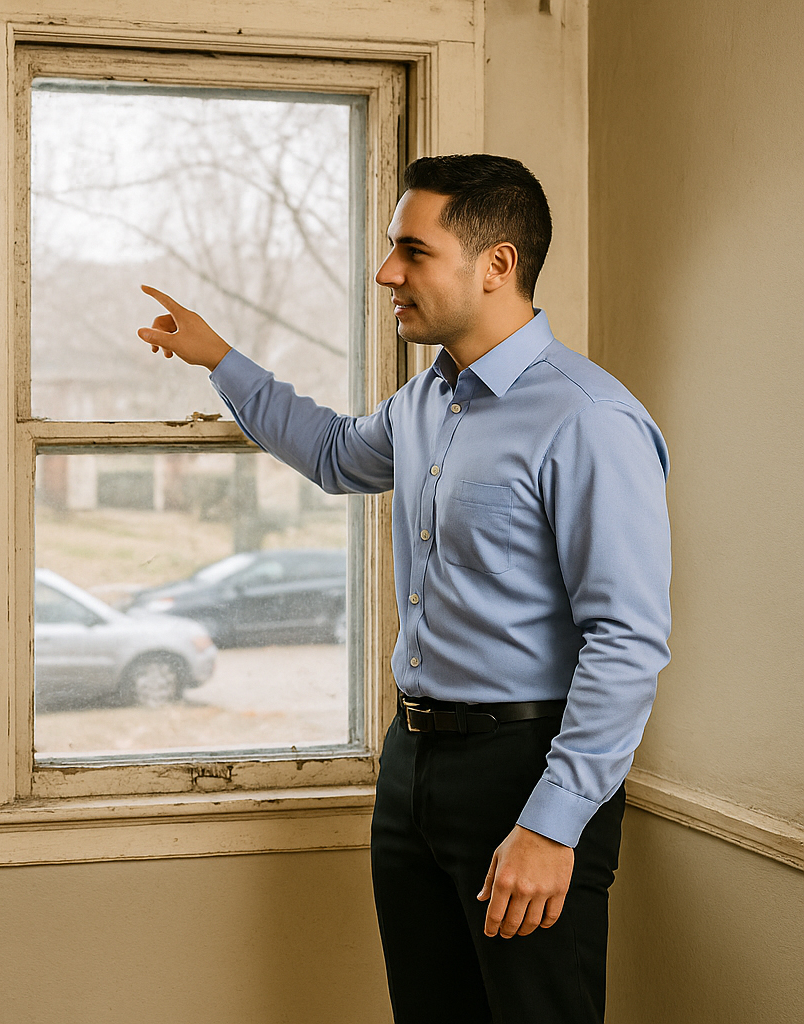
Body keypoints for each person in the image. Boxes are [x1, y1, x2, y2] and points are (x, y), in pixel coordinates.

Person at [135, 154, 670, 1023]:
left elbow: (628, 640)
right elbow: (337, 454)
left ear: (496, 264)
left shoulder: (590, 420)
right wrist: (219, 359)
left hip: (526, 771)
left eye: (412, 252)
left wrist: (553, 821)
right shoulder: (430, 400)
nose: (387, 272)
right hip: (415, 761)